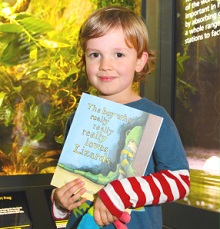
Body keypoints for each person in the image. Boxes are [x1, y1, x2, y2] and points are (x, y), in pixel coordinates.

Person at [51, 5, 190, 229]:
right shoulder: (77, 118)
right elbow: (69, 186)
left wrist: (121, 192)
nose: (106, 65)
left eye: (118, 54)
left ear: (140, 61)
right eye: (95, 55)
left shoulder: (156, 116)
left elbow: (179, 181)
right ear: (84, 59)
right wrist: (60, 204)